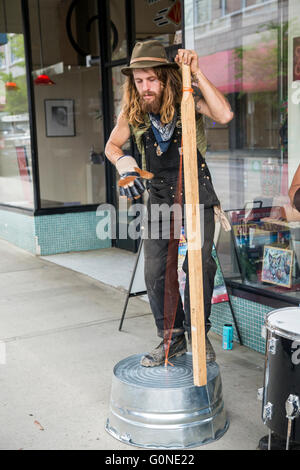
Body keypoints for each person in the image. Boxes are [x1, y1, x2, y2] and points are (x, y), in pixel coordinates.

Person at [105, 40, 234, 367]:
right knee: (155, 270)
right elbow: (112, 146)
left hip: (197, 195)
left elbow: (225, 114)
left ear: (165, 77)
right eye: (138, 81)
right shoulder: (132, 111)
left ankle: (198, 334)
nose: (144, 87)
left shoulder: (188, 98)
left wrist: (197, 73)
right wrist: (124, 162)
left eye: (150, 79)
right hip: (161, 198)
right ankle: (171, 338)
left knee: (199, 265)